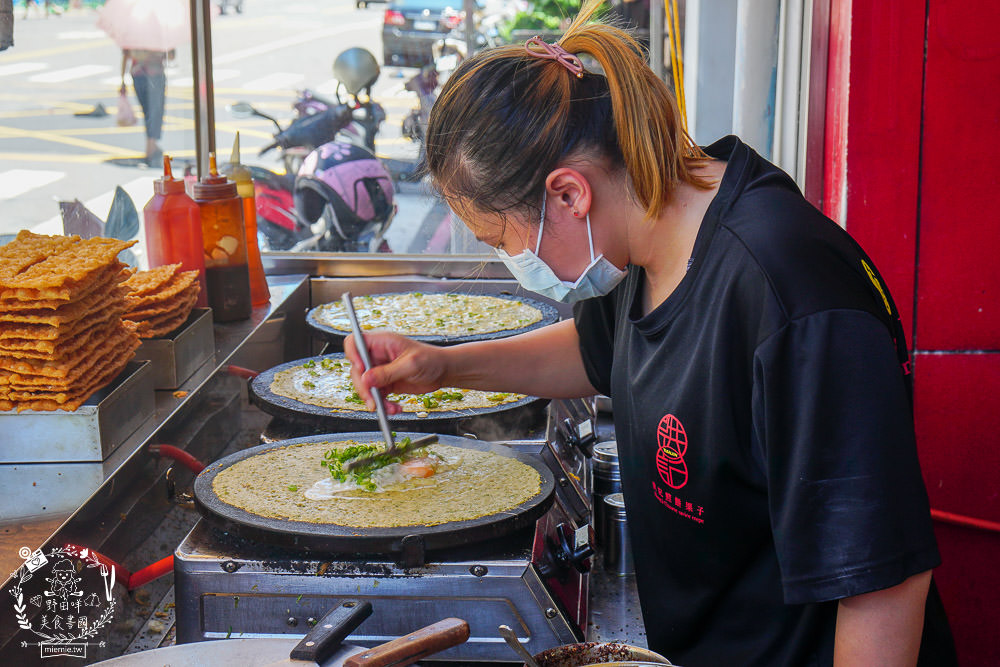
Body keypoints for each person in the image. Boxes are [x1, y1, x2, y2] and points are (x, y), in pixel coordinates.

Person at [344, 1, 956, 664]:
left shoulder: (791, 297)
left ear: (569, 194)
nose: (512, 265)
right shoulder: (644, 238)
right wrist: (441, 365)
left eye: (501, 240)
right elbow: (594, 351)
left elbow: (883, 585)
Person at [121, 48, 168, 166]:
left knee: (149, 112)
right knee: (154, 112)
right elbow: (170, 55)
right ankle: (151, 148)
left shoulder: (134, 33)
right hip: (153, 75)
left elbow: (126, 55)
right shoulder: (158, 34)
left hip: (138, 75)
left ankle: (151, 146)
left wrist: (122, 81)